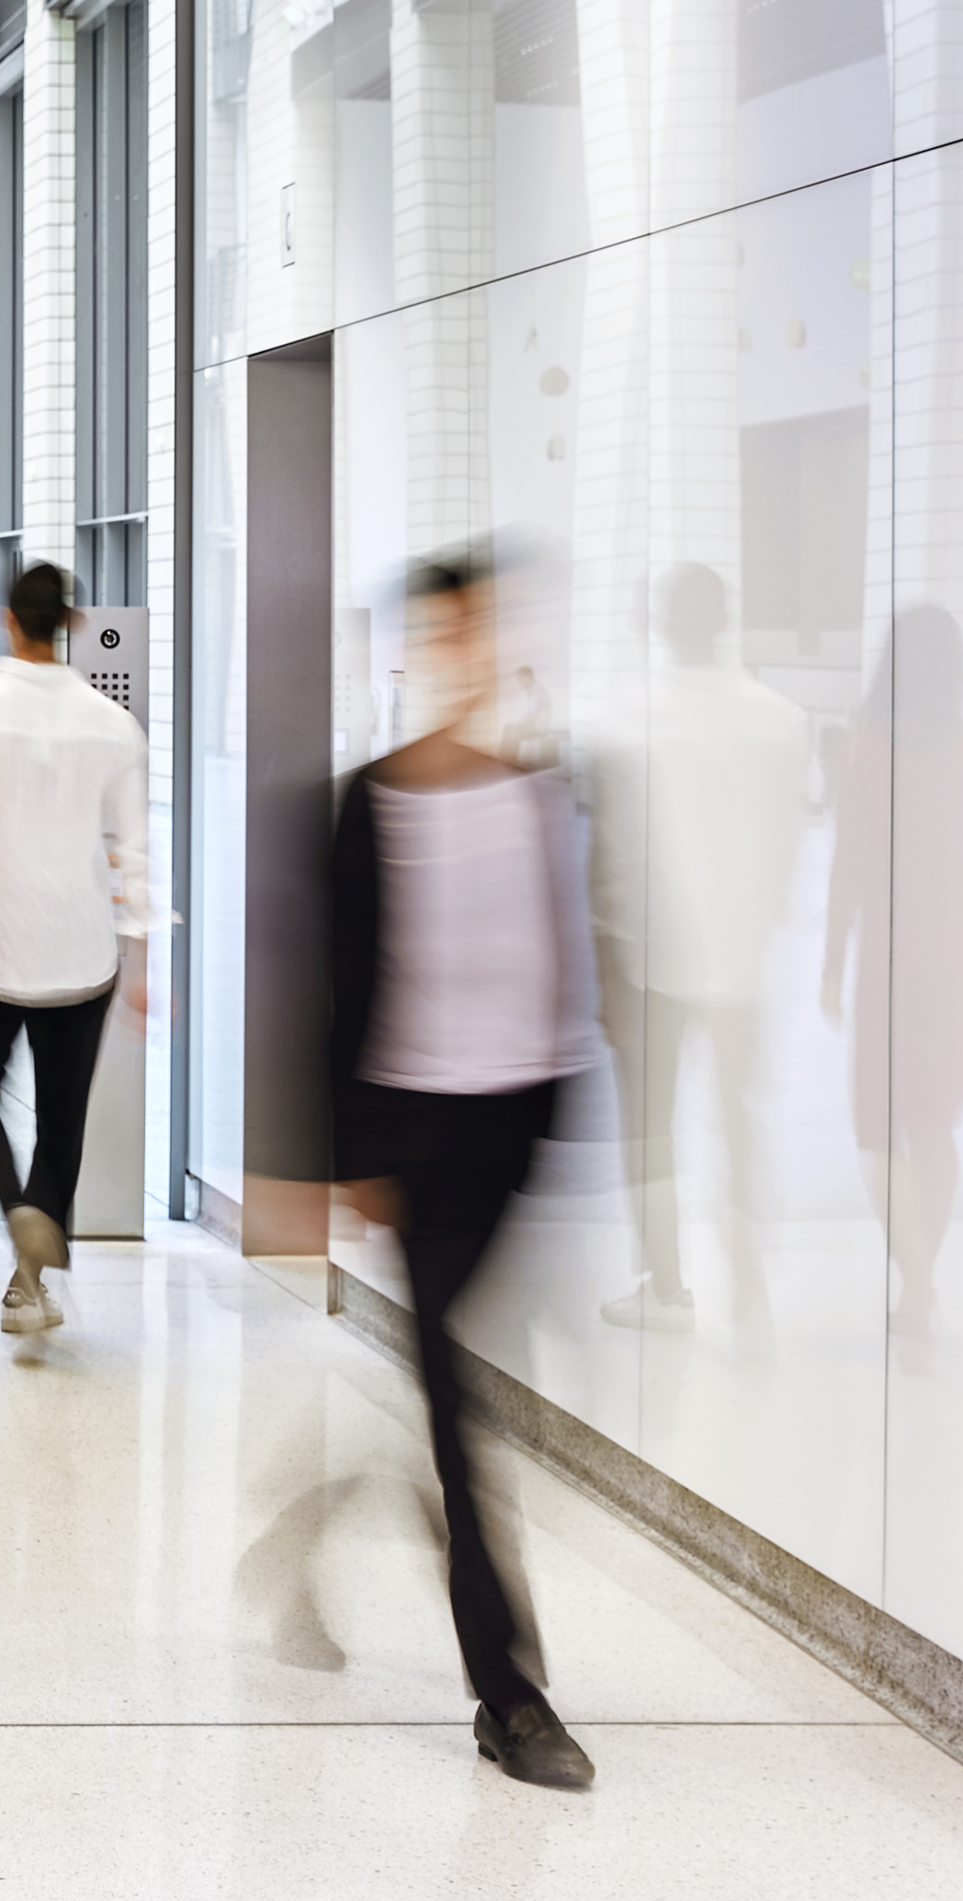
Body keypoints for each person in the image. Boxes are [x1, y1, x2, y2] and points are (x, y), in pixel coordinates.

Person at [327, 547, 599, 1794]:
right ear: (415, 652)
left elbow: (564, 965)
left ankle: (327, 1512)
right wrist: (350, 1161)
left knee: (454, 1401)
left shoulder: (540, 796)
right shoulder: (372, 799)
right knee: (455, 1407)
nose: (469, 653)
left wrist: (558, 1137)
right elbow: (339, 987)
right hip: (415, 1142)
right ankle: (510, 1693)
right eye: (449, 634)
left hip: (508, 1141)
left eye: (486, 631)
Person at [0, 560, 157, 1337]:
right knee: (64, 1116)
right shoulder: (114, 725)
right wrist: (145, 957)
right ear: (70, 627)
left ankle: (18, 1208)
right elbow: (135, 851)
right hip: (85, 954)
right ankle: (30, 1273)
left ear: (7, 620)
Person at [581, 563, 807, 1334]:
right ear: (723, 620)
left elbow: (605, 857)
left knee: (650, 1126)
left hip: (649, 961)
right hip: (740, 955)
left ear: (659, 622)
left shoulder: (623, 718)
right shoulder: (778, 718)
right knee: (738, 1116)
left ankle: (667, 1286)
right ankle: (747, 1274)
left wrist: (602, 965)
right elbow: (787, 839)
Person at [823, 604, 963, 1351]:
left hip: (891, 946)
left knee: (877, 1134)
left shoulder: (862, 752)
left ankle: (918, 1282)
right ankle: (917, 1282)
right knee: (933, 1126)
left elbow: (847, 865)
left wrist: (828, 965)